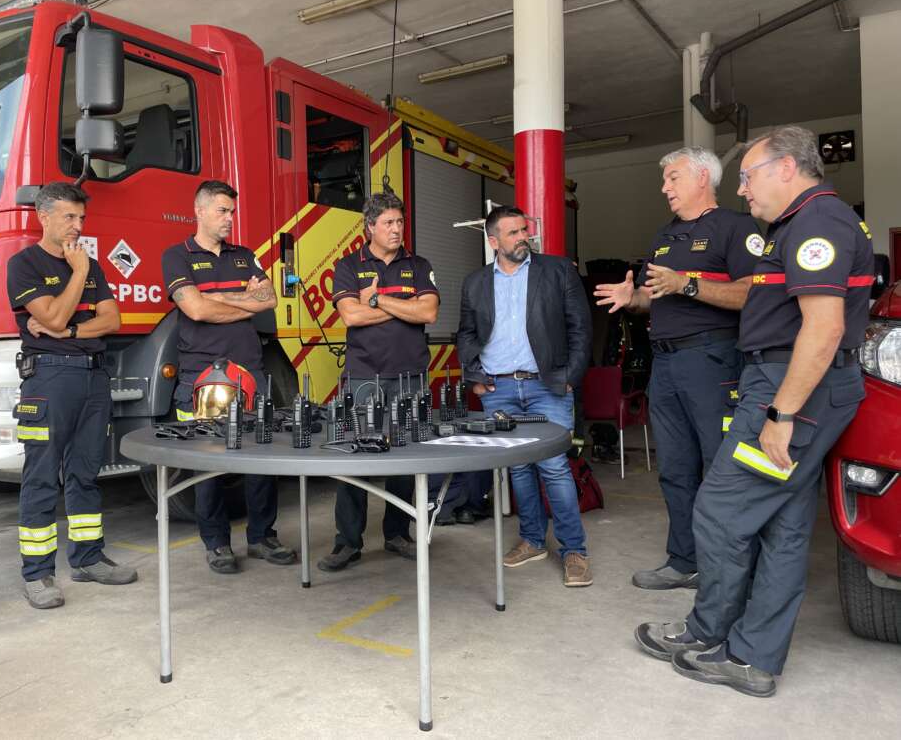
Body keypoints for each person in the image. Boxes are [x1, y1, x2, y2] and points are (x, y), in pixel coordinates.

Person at [635, 126, 873, 697]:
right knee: (785, 523)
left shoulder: (818, 222)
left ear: (786, 168)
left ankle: (707, 631)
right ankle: (751, 658)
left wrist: (781, 414)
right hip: (790, 381)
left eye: (748, 176)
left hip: (791, 387)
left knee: (719, 509)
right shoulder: (798, 224)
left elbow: (824, 327)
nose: (742, 189)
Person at [594, 146, 763, 590]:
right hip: (665, 363)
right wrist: (633, 299)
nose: (664, 187)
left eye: (673, 178)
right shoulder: (664, 235)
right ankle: (685, 560)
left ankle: (731, 572)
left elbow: (753, 293)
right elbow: (654, 296)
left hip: (712, 360)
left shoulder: (737, 227)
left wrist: (687, 283)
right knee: (675, 468)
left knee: (721, 468)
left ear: (702, 178)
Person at [7, 182, 136, 610]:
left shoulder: (92, 264)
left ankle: (88, 558)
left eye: (81, 218)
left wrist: (72, 330)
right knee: (42, 475)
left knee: (85, 472)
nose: (77, 226)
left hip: (92, 376)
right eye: (69, 217)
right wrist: (78, 274)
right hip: (49, 377)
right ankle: (37, 574)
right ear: (43, 217)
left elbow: (112, 320)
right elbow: (52, 316)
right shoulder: (24, 264)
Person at [161, 179, 295, 575]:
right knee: (208, 463)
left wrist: (217, 298)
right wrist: (243, 300)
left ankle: (262, 537)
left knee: (260, 457)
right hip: (202, 375)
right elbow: (195, 310)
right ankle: (216, 543)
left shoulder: (245, 256)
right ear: (199, 211)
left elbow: (269, 300)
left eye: (232, 211)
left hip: (250, 372)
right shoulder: (177, 256)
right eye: (222, 211)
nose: (229, 219)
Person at [457, 206, 593, 586]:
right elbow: (466, 334)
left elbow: (580, 328)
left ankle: (574, 551)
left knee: (553, 466)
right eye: (513, 233)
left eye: (524, 230)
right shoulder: (475, 282)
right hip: (498, 388)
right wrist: (475, 376)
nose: (523, 238)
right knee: (518, 467)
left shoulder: (558, 270)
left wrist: (570, 378)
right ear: (493, 241)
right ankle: (533, 540)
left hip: (546, 385)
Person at [317, 192, 440, 572]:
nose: (396, 229)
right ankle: (347, 542)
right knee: (355, 458)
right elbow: (350, 317)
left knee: (405, 456)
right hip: (364, 376)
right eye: (388, 223)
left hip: (410, 377)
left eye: (400, 222)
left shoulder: (418, 265)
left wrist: (376, 301)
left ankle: (397, 534)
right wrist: (404, 307)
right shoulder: (348, 266)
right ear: (370, 227)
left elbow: (429, 313)